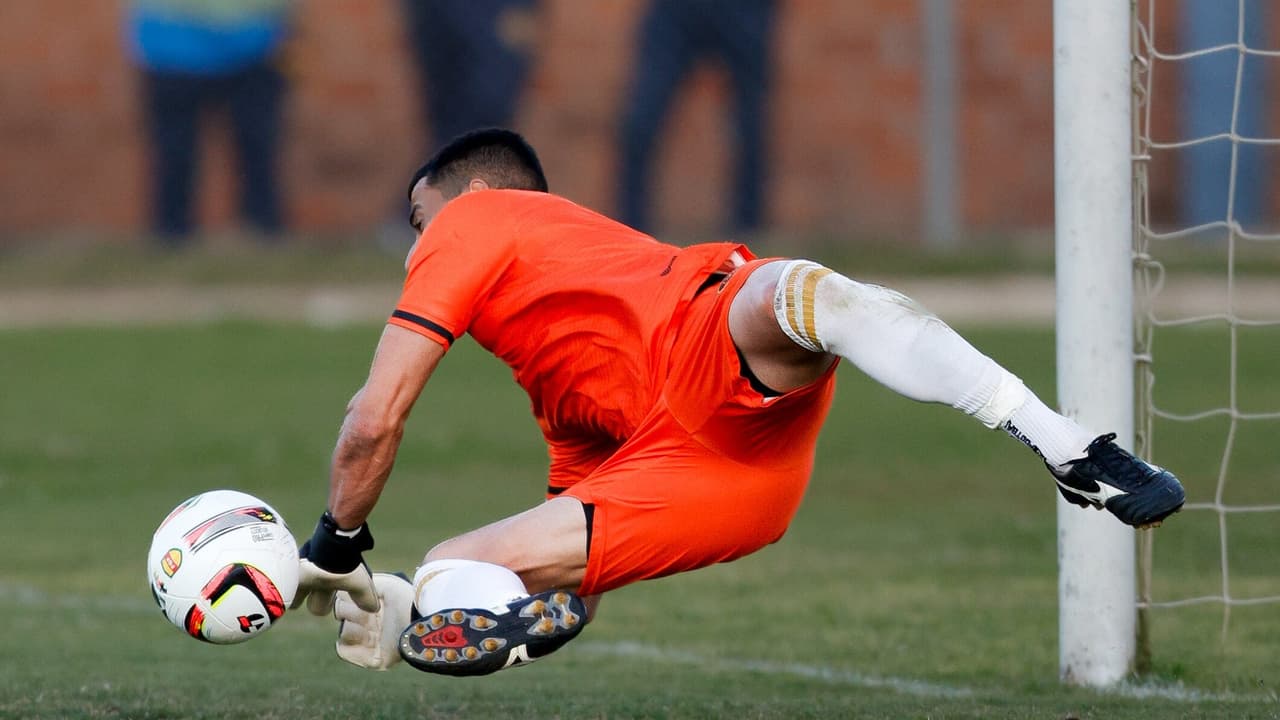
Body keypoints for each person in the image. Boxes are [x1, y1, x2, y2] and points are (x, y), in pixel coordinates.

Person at [290, 128, 1186, 676]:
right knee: (448, 571)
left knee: (800, 294)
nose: (416, 247)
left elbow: (373, 419)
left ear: (477, 200)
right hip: (723, 483)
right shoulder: (556, 387)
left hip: (712, 338)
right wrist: (429, 613)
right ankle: (1063, 443)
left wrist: (335, 543)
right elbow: (581, 580)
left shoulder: (475, 221)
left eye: (420, 220)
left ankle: (1067, 444)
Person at [126, 0, 294, 244]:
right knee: (175, 150)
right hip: (172, 43)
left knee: (258, 147)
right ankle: (171, 234)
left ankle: (264, 230)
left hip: (255, 42)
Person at [617, 0, 777, 236]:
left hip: (743, 9)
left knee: (750, 124)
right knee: (641, 121)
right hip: (676, 10)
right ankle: (630, 231)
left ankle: (750, 235)